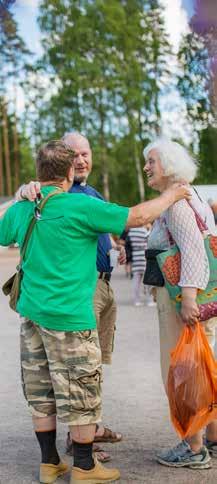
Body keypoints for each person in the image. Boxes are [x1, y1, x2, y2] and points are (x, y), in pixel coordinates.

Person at [0, 139, 190, 483]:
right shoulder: (79, 207)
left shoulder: (24, 209)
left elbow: (2, 230)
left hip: (31, 319)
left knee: (41, 393)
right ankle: (85, 468)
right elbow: (138, 216)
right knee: (82, 393)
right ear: (70, 172)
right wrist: (173, 195)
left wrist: (20, 197)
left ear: (39, 173)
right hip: (71, 319)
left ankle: (49, 464)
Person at [17, 132, 126, 464]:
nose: (81, 160)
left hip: (104, 285)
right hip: (82, 290)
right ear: (63, 162)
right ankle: (80, 446)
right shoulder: (54, 193)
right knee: (76, 367)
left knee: (96, 362)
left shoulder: (90, 192)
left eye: (86, 153)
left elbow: (100, 227)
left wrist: (115, 246)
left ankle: (92, 427)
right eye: (74, 155)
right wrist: (24, 189)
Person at [143, 137, 217, 470]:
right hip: (202, 299)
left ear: (169, 166)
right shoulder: (194, 195)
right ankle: (212, 440)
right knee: (203, 368)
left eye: (151, 162)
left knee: (183, 373)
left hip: (183, 303)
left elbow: (194, 251)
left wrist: (187, 298)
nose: (146, 167)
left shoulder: (175, 202)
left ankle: (194, 448)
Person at [127, 225, 151, 306]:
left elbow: (129, 244)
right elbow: (149, 241)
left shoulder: (131, 231)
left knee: (136, 280)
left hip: (135, 255)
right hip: (144, 256)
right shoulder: (144, 231)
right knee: (147, 281)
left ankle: (136, 300)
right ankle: (149, 300)